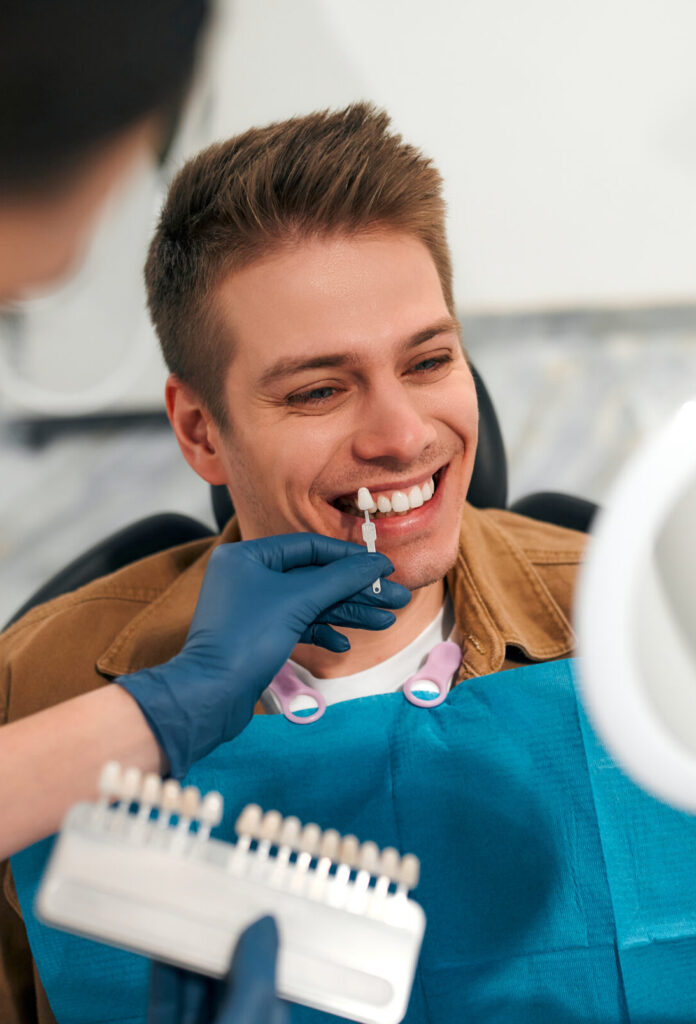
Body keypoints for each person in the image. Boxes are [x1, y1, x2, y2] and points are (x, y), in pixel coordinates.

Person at [0, 102, 586, 1024]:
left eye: (429, 361)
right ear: (200, 431)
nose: (402, 436)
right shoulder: (39, 686)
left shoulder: (647, 628)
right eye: (319, 389)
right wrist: (160, 711)